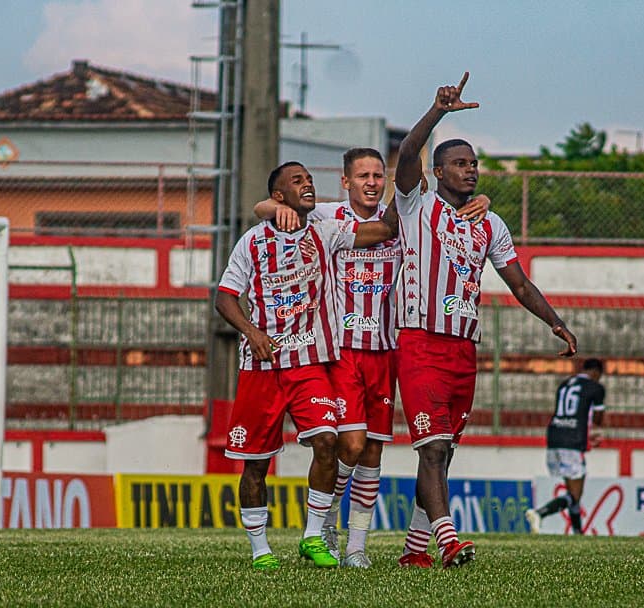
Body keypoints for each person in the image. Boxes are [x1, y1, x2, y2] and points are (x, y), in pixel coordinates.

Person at [254, 149, 489, 568]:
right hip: (342, 351)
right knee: (353, 444)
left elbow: (445, 211)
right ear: (346, 182)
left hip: (385, 350)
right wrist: (275, 206)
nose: (372, 181)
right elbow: (264, 207)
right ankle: (324, 521)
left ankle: (356, 549)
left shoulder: (402, 219)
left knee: (373, 455)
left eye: (378, 175)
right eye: (362, 175)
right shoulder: (327, 216)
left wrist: (483, 201)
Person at [393, 72, 578, 569]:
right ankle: (449, 540)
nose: (471, 171)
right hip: (418, 341)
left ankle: (414, 551)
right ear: (438, 170)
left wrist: (554, 322)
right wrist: (437, 112)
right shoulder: (418, 205)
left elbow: (518, 282)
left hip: (462, 349)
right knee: (431, 448)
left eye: (474, 163)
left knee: (443, 452)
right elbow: (407, 157)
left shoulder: (489, 222)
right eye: (459, 163)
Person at [215, 161, 396, 571]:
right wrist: (252, 332)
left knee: (328, 441)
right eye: (297, 182)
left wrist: (407, 179)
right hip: (262, 366)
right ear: (279, 196)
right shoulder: (252, 243)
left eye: (310, 180)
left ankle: (314, 534)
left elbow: (384, 230)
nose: (308, 185)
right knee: (256, 464)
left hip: (309, 363)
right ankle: (260, 550)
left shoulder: (325, 230)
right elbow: (224, 298)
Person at [525, 358, 606, 535]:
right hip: (572, 441)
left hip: (554, 438)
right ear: (596, 373)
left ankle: (578, 532)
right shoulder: (595, 387)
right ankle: (539, 513)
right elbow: (598, 418)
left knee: (571, 491)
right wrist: (593, 431)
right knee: (575, 494)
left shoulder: (565, 384)